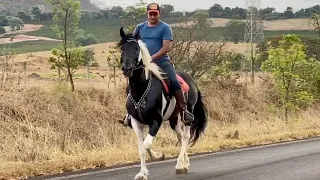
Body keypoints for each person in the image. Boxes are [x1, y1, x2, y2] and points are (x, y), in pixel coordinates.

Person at [120, 2, 194, 126]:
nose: (153, 16)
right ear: (147, 14)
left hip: (162, 62)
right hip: (144, 64)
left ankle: (184, 110)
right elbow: (134, 45)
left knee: (174, 81)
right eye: (150, 14)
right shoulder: (139, 27)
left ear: (159, 14)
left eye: (155, 14)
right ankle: (130, 114)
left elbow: (166, 48)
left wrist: (151, 58)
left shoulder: (165, 28)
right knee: (131, 84)